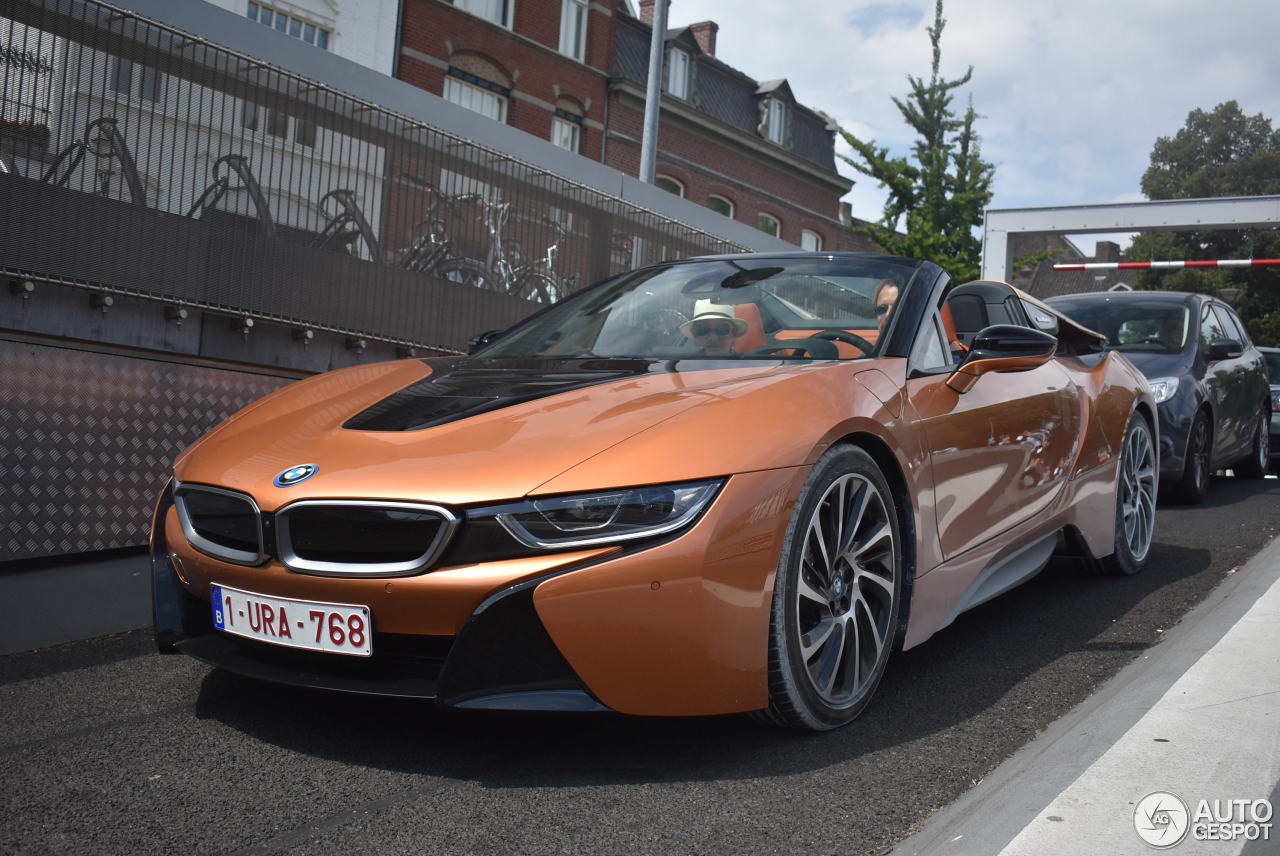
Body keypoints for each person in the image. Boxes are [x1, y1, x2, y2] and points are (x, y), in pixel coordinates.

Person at [679, 299, 749, 355]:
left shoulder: (750, 369)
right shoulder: (681, 368)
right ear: (695, 335)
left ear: (733, 334)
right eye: (703, 330)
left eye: (722, 329)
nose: (713, 338)